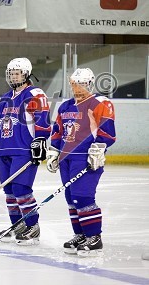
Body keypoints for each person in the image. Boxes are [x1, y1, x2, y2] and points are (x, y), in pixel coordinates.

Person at [47, 68, 116, 257]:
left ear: (90, 84)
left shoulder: (100, 103)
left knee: (83, 197)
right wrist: (54, 151)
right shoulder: (65, 106)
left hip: (86, 158)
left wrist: (98, 148)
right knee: (71, 199)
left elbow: (107, 131)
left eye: (82, 84)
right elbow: (58, 131)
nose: (78, 88)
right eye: (74, 84)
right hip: (66, 159)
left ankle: (94, 237)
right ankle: (80, 234)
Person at [0, 57, 50, 245]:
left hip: (24, 150)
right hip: (6, 149)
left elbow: (43, 119)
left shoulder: (35, 94)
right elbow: (1, 125)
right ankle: (18, 225)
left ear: (26, 74)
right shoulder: (6, 98)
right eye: (11, 73)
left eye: (17, 73)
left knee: (21, 189)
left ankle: (32, 227)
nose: (13, 77)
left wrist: (40, 140)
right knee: (9, 191)